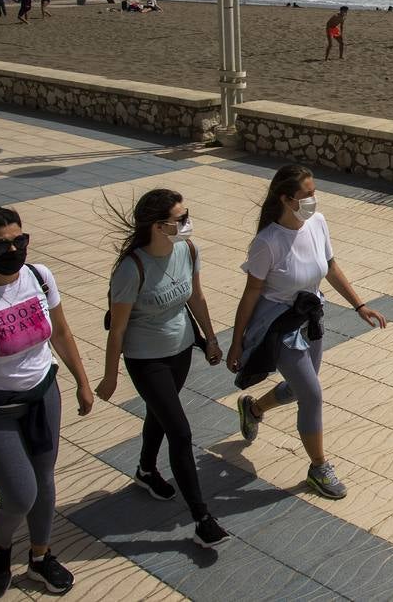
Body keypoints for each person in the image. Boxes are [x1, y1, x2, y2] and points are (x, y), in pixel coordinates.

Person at [0, 207, 93, 596]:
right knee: (20, 494)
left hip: (43, 395)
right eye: (2, 244)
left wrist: (82, 381)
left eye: (19, 240)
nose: (13, 249)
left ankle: (40, 557)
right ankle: (1, 545)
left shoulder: (39, 277)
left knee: (44, 482)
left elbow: (61, 332)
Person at [228, 165, 388, 500]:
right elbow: (251, 294)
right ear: (286, 199)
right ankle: (318, 468)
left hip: (310, 317)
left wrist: (360, 306)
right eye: (307, 195)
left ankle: (254, 409)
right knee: (312, 394)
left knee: (305, 387)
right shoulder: (267, 243)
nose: (313, 200)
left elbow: (329, 267)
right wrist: (236, 343)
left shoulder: (318, 223)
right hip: (279, 327)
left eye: (314, 193)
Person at [96, 190, 231, 548]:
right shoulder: (131, 268)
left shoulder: (188, 250)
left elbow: (197, 297)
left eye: (187, 215)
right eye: (180, 218)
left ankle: (144, 469)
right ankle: (202, 518)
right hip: (146, 359)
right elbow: (119, 328)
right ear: (158, 226)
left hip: (181, 349)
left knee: (160, 413)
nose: (187, 223)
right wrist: (110, 375)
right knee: (181, 432)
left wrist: (211, 339)